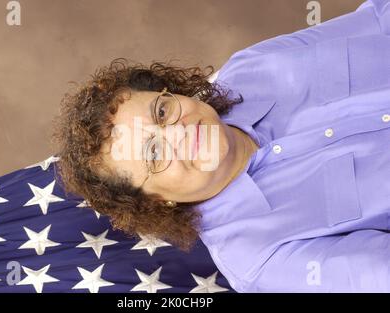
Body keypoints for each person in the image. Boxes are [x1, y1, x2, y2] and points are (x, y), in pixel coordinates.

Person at [52, 0, 390, 292]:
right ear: (156, 201)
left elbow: (378, 18)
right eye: (154, 153)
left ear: (172, 91)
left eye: (162, 111)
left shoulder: (250, 67)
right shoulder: (257, 257)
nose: (177, 133)